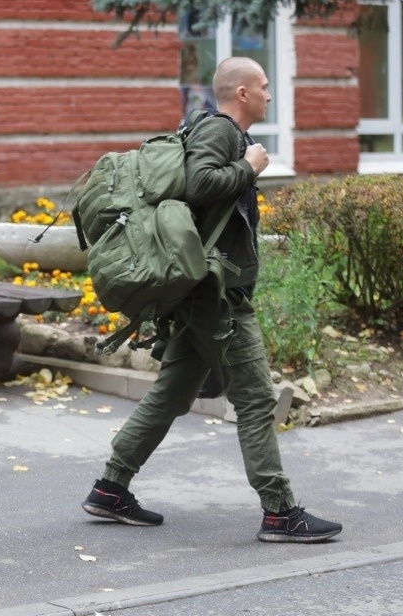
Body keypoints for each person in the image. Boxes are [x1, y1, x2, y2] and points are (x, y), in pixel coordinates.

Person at [81, 56, 343, 544]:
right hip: (218, 298)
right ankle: (281, 512)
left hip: (208, 291)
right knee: (257, 400)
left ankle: (110, 488)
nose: (269, 93)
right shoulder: (221, 132)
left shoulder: (221, 132)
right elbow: (202, 184)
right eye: (263, 86)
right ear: (241, 93)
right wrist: (248, 166)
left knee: (172, 392)